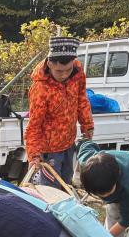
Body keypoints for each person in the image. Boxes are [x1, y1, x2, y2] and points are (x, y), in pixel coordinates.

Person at [25, 36, 94, 187]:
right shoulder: (40, 89)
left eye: (67, 70)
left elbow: (82, 99)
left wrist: (87, 125)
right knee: (51, 192)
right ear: (49, 63)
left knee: (66, 186)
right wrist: (34, 155)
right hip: (49, 151)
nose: (64, 75)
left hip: (69, 143)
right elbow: (34, 125)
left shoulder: (77, 72)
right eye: (59, 71)